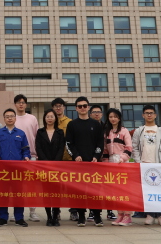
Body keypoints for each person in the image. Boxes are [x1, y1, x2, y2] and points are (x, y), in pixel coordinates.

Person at [64, 96, 103, 227]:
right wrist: (75, 155)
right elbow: (69, 143)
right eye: (79, 106)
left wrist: (96, 156)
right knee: (79, 191)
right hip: (78, 164)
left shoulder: (96, 124)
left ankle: (97, 216)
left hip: (93, 163)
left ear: (88, 107)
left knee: (95, 191)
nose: (82, 108)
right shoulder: (72, 124)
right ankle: (81, 216)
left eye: (85, 106)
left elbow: (100, 143)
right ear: (76, 108)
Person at [131, 105, 161, 226]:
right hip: (145, 165)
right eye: (147, 113)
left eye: (151, 113)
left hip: (159, 165)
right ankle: (149, 215)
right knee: (148, 192)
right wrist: (138, 161)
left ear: (155, 115)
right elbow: (134, 147)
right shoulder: (139, 131)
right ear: (143, 115)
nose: (149, 115)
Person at [0, 108, 30, 227]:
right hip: (3, 169)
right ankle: (3, 218)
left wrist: (26, 157)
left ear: (15, 118)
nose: (9, 118)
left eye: (11, 116)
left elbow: (26, 149)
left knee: (18, 194)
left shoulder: (21, 133)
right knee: (3, 193)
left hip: (17, 170)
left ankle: (19, 218)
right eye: (7, 116)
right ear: (4, 119)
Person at [102, 108, 133, 227]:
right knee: (115, 191)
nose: (113, 119)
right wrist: (105, 162)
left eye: (115, 116)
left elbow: (129, 148)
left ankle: (127, 215)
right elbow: (105, 149)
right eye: (110, 117)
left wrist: (123, 158)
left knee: (125, 190)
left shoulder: (124, 131)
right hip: (111, 161)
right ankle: (120, 214)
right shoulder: (107, 132)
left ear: (119, 118)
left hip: (122, 161)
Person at [12, 94, 40, 221]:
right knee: (16, 187)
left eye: (23, 102)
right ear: (15, 104)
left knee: (31, 186)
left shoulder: (32, 118)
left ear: (26, 104)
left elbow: (36, 137)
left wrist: (36, 154)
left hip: (31, 156)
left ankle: (32, 212)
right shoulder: (12, 118)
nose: (21, 104)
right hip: (16, 158)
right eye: (18, 102)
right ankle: (16, 212)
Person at [35, 109, 64, 227]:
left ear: (55, 118)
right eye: (47, 116)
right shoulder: (40, 132)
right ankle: (49, 217)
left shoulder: (60, 132)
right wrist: (46, 162)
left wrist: (55, 163)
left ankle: (55, 217)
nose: (50, 118)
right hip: (44, 166)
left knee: (57, 193)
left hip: (57, 167)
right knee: (46, 192)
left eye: (52, 116)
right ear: (44, 118)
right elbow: (38, 148)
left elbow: (61, 148)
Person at [89, 104, 115, 223]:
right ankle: (92, 211)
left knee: (108, 187)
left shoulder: (108, 128)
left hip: (106, 160)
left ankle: (110, 210)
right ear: (90, 114)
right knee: (93, 188)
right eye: (94, 112)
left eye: (98, 112)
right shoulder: (88, 126)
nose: (96, 114)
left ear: (102, 114)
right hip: (93, 160)